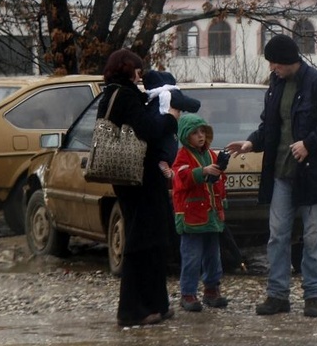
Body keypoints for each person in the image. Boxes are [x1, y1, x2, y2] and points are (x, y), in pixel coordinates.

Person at [225, 34, 317, 318]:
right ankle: (277, 295)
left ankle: (313, 296)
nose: (272, 67)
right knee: (277, 236)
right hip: (281, 173)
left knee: (313, 236)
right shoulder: (275, 87)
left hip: (314, 176)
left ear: (288, 60)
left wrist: (309, 143)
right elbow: (270, 126)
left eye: (275, 62)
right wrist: (252, 142)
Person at [98, 49, 180, 327]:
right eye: (137, 69)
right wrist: (170, 116)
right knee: (142, 241)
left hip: (132, 178)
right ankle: (133, 310)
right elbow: (148, 129)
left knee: (152, 239)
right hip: (139, 178)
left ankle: (156, 304)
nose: (141, 74)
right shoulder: (126, 95)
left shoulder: (112, 93)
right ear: (127, 69)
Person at [171, 113, 229, 312]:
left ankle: (212, 289)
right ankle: (188, 292)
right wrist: (203, 172)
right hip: (191, 216)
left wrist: (222, 204)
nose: (200, 136)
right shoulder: (182, 156)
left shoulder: (212, 155)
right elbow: (181, 177)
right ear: (186, 136)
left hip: (211, 215)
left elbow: (221, 183)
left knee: (213, 255)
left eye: (202, 131)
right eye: (195, 133)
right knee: (191, 256)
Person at [141, 69, 201, 179]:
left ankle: (163, 161)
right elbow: (195, 105)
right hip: (166, 131)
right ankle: (165, 161)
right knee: (170, 142)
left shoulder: (149, 98)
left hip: (151, 147)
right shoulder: (172, 94)